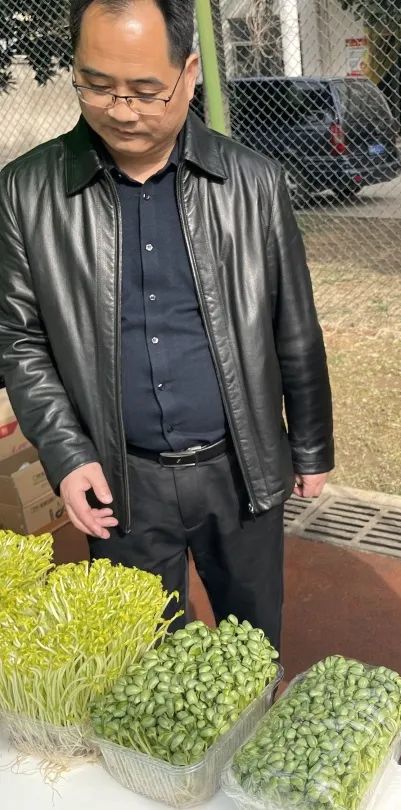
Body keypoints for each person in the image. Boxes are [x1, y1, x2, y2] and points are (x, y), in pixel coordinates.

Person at [0, 0, 334, 649]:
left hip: (239, 469)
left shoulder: (253, 183)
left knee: (251, 650)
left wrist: (312, 445)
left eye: (145, 90)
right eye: (97, 85)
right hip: (119, 479)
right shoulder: (26, 192)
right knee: (140, 661)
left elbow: (294, 324)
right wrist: (67, 456)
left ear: (189, 72)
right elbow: (20, 340)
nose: (122, 110)